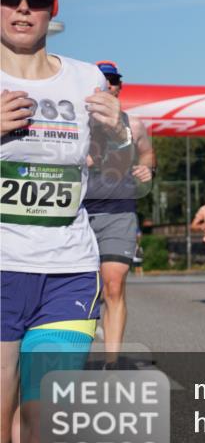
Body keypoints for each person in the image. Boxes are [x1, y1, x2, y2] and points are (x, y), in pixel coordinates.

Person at [1, 0, 131, 443]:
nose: (22, 7)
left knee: (42, 430)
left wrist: (122, 132)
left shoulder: (85, 78)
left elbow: (121, 161)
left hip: (67, 269)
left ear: (54, 8)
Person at [82, 60, 156, 365]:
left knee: (113, 284)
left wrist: (148, 167)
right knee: (86, 290)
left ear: (119, 86)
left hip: (118, 211)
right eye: (103, 80)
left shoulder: (134, 124)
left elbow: (148, 152)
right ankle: (77, 355)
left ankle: (110, 363)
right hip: (78, 213)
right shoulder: (75, 121)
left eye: (113, 80)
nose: (109, 85)